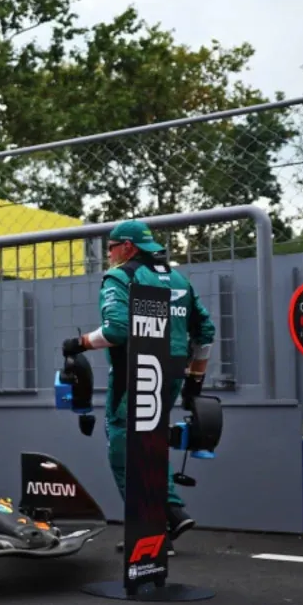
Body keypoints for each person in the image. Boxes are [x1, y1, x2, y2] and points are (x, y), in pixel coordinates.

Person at [63, 220, 216, 545]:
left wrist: (78, 343)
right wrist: (196, 379)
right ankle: (171, 515)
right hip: (172, 374)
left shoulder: (121, 277)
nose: (109, 254)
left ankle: (154, 527)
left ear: (127, 247)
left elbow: (116, 330)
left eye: (111, 247)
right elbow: (205, 332)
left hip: (135, 373)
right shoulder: (177, 279)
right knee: (151, 440)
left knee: (122, 448)